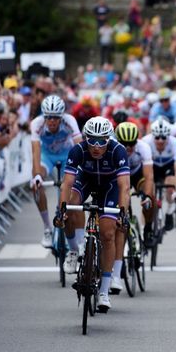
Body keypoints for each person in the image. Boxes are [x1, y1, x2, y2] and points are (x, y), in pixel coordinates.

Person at [54, 117, 130, 312]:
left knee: (107, 233)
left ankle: (104, 291)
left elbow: (124, 187)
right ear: (85, 138)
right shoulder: (78, 150)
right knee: (71, 205)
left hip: (110, 187)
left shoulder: (118, 150)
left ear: (109, 139)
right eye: (92, 140)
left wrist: (123, 213)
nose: (96, 146)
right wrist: (61, 209)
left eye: (102, 140)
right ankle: (74, 249)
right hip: (86, 181)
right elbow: (67, 183)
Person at [29, 95, 82, 247]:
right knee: (35, 184)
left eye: (56, 117)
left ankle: (74, 237)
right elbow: (35, 151)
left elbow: (79, 146)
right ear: (44, 116)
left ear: (61, 116)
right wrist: (37, 176)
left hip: (67, 156)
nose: (52, 121)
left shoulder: (69, 121)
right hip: (47, 157)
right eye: (49, 117)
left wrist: (82, 169)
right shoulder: (37, 124)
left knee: (70, 192)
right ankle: (47, 228)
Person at [112, 122, 155, 292]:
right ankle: (119, 258)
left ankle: (148, 227)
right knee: (120, 212)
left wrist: (146, 196)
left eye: (132, 144)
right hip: (119, 176)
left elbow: (149, 176)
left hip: (137, 175)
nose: (129, 148)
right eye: (125, 144)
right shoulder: (113, 147)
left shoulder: (143, 148)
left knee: (150, 194)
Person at [141, 116, 176, 230]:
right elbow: (143, 167)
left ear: (168, 136)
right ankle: (144, 228)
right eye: (157, 137)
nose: (160, 141)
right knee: (148, 196)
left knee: (170, 186)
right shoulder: (145, 142)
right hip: (153, 167)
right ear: (153, 136)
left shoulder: (175, 143)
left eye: (163, 137)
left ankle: (169, 211)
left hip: (168, 166)